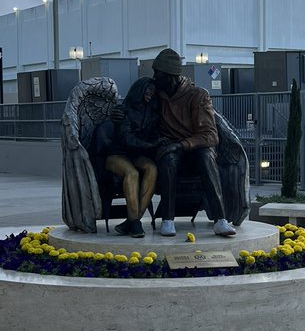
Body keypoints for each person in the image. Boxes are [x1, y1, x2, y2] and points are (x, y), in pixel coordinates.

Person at [149, 48, 237, 238]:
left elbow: (210, 136)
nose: (154, 77)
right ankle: (167, 219)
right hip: (171, 150)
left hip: (196, 148)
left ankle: (220, 220)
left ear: (171, 76)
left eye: (158, 73)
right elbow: (135, 110)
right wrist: (121, 113)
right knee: (168, 157)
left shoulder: (198, 95)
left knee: (205, 156)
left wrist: (181, 145)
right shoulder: (156, 94)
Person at [93, 78, 160, 239]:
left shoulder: (152, 113)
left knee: (152, 168)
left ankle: (132, 220)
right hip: (116, 155)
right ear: (139, 90)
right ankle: (135, 223)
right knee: (132, 173)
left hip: (136, 154)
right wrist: (152, 145)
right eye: (148, 90)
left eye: (153, 91)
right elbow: (126, 139)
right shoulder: (124, 111)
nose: (151, 93)